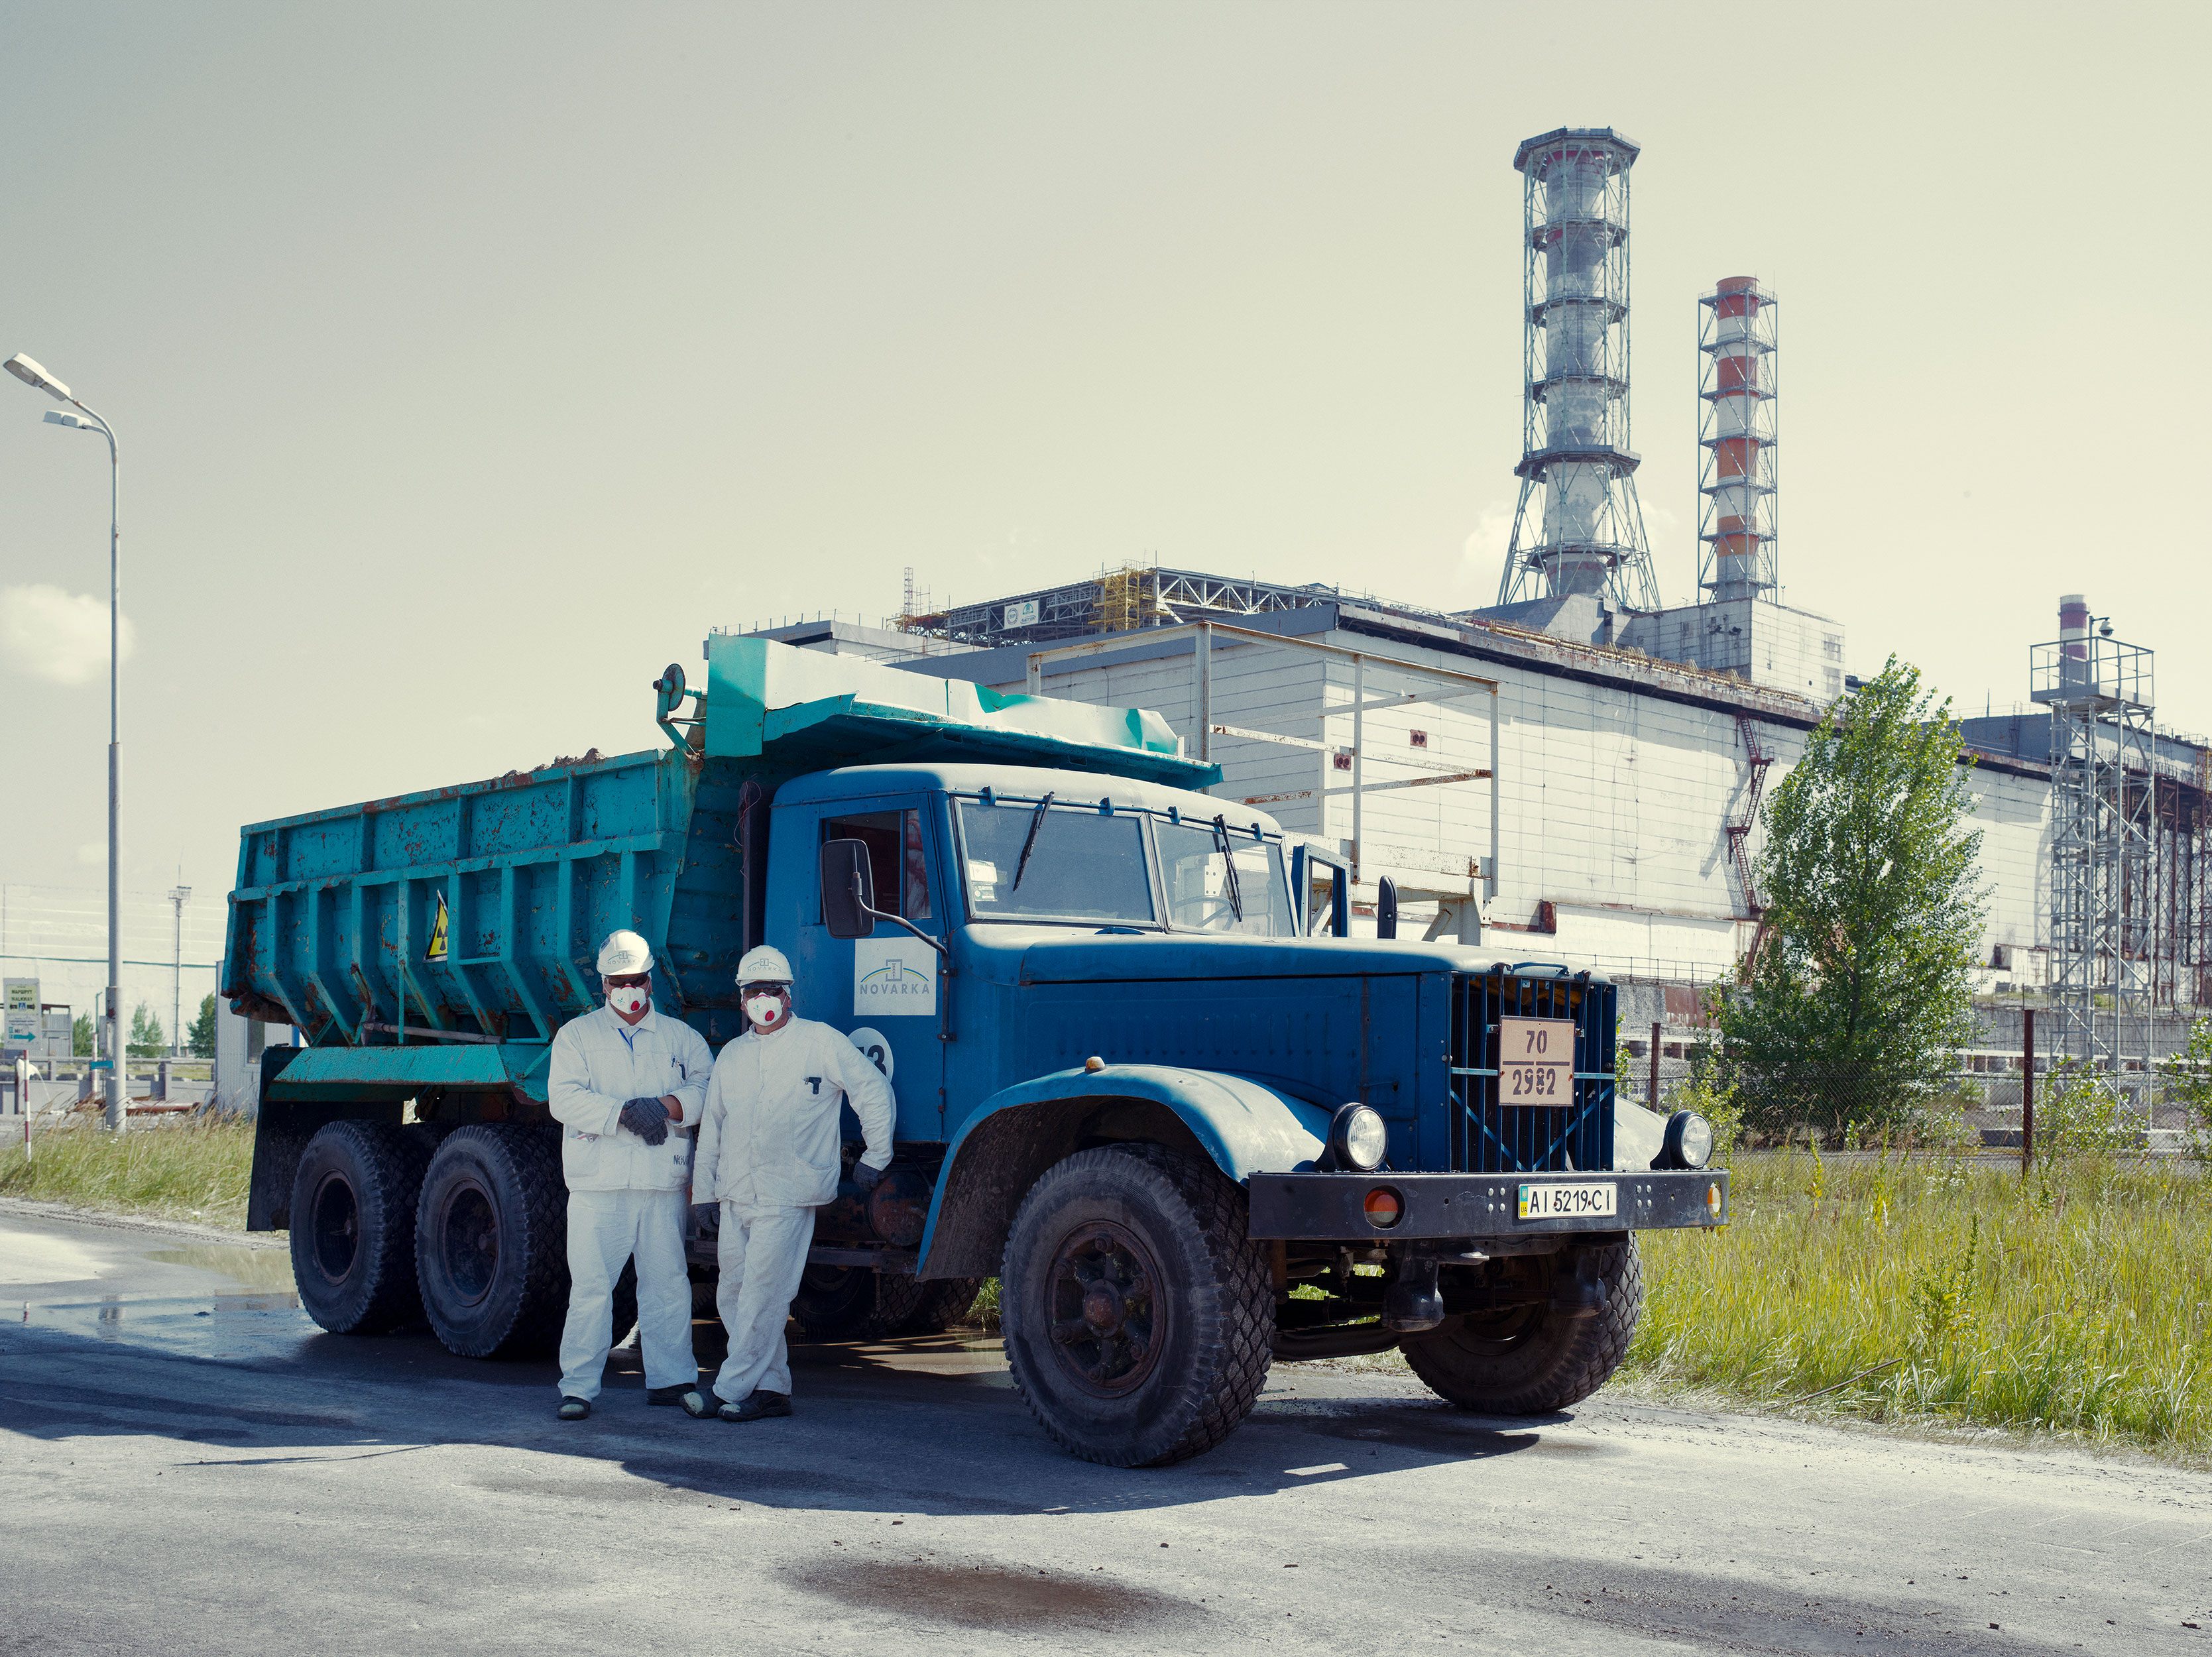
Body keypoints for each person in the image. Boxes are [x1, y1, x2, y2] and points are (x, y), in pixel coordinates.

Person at [682, 944, 894, 1423]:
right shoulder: (732, 1056)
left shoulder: (820, 1042)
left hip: (788, 1193)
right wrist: (705, 1193)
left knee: (763, 1294)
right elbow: (713, 1128)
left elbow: (871, 1090)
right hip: (737, 1192)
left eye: (773, 990)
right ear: (741, 999)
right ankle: (772, 1390)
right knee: (734, 1294)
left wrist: (877, 1154)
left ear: (789, 995)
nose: (764, 999)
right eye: (754, 991)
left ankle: (728, 1387)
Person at [546, 929, 713, 1421]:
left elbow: (708, 1087)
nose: (629, 989)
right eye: (619, 981)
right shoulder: (577, 1036)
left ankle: (671, 1379)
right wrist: (623, 1113)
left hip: (661, 1184)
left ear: (650, 980)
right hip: (598, 1185)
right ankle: (578, 1388)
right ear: (603, 985)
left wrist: (665, 1106)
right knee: (591, 1288)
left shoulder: (681, 1038)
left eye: (636, 979)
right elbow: (563, 1098)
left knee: (668, 1285)